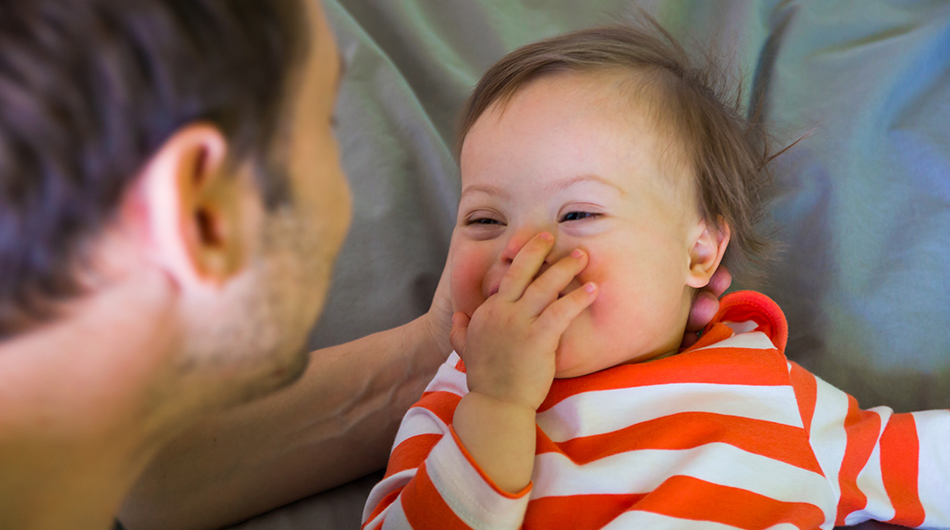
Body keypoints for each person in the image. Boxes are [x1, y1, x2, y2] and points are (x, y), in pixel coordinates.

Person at [0, 1, 729, 529]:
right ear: (200, 212)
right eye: (327, 125)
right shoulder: (458, 424)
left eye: (577, 213)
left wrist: (439, 345)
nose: (518, 249)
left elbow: (150, 486)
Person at [362, 24, 950, 529]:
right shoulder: (458, 398)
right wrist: (497, 406)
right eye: (484, 219)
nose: (521, 248)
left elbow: (913, 461)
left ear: (698, 253)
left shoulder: (766, 391)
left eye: (578, 214)